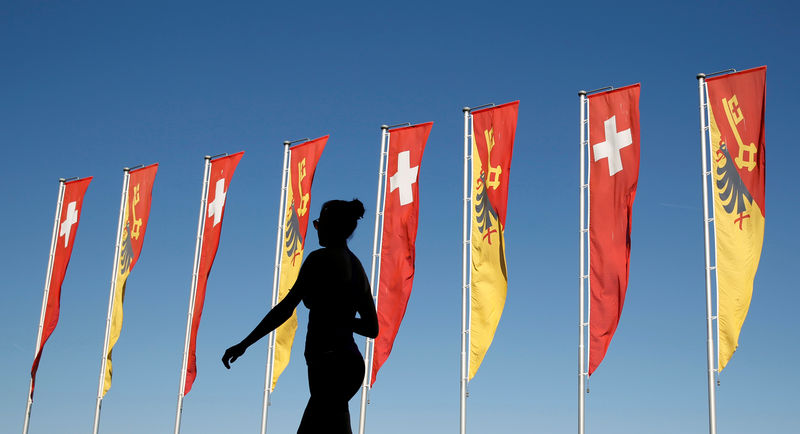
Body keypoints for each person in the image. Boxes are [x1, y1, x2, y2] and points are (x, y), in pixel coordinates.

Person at [222, 199, 378, 434]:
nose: (316, 230)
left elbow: (285, 308)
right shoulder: (358, 268)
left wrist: (244, 344)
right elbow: (371, 328)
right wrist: (340, 317)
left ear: (331, 226)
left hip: (330, 363)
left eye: (318, 224)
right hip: (349, 363)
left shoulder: (319, 259)